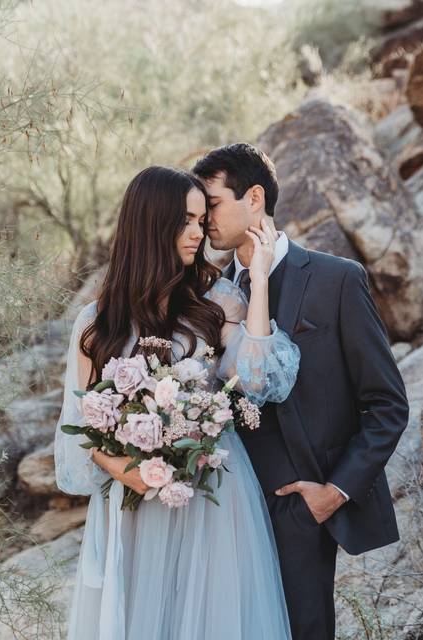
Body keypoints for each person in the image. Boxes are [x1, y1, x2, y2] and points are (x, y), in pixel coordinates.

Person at [54, 165, 300, 640]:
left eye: (200, 218)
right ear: (151, 224)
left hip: (211, 497)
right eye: (185, 221)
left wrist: (261, 280)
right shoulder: (96, 323)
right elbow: (84, 424)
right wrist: (131, 470)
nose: (198, 231)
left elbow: (257, 379)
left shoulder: (218, 300)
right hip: (134, 502)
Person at [193, 143, 410, 640]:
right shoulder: (206, 298)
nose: (204, 219)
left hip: (301, 507)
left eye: (212, 204)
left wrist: (333, 493)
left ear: (253, 198)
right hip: (225, 510)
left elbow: (387, 405)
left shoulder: (335, 280)